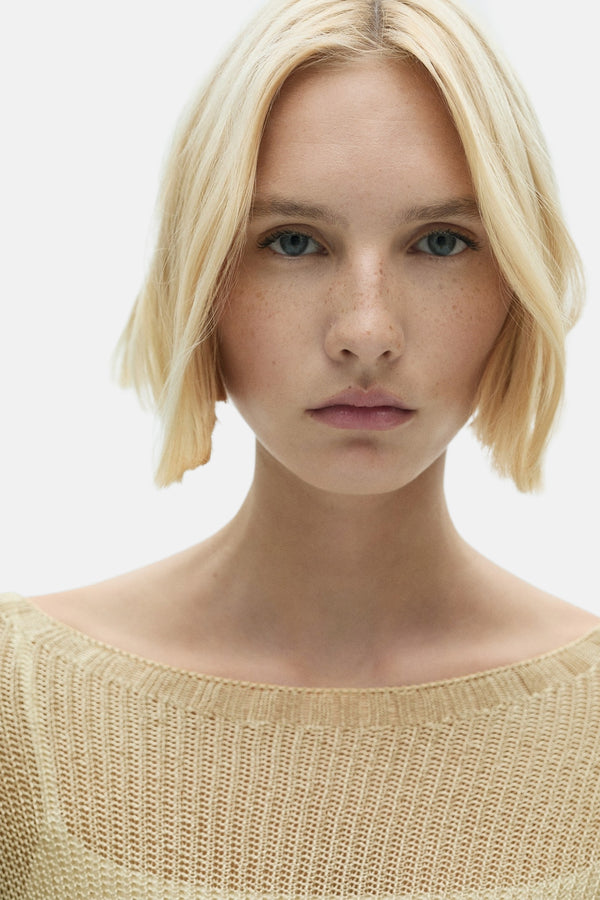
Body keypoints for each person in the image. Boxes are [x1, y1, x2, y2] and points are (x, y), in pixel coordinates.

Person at [2, 0, 600, 896]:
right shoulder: (21, 711)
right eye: (293, 242)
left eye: (440, 242)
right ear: (201, 278)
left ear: (517, 280)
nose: (367, 332)